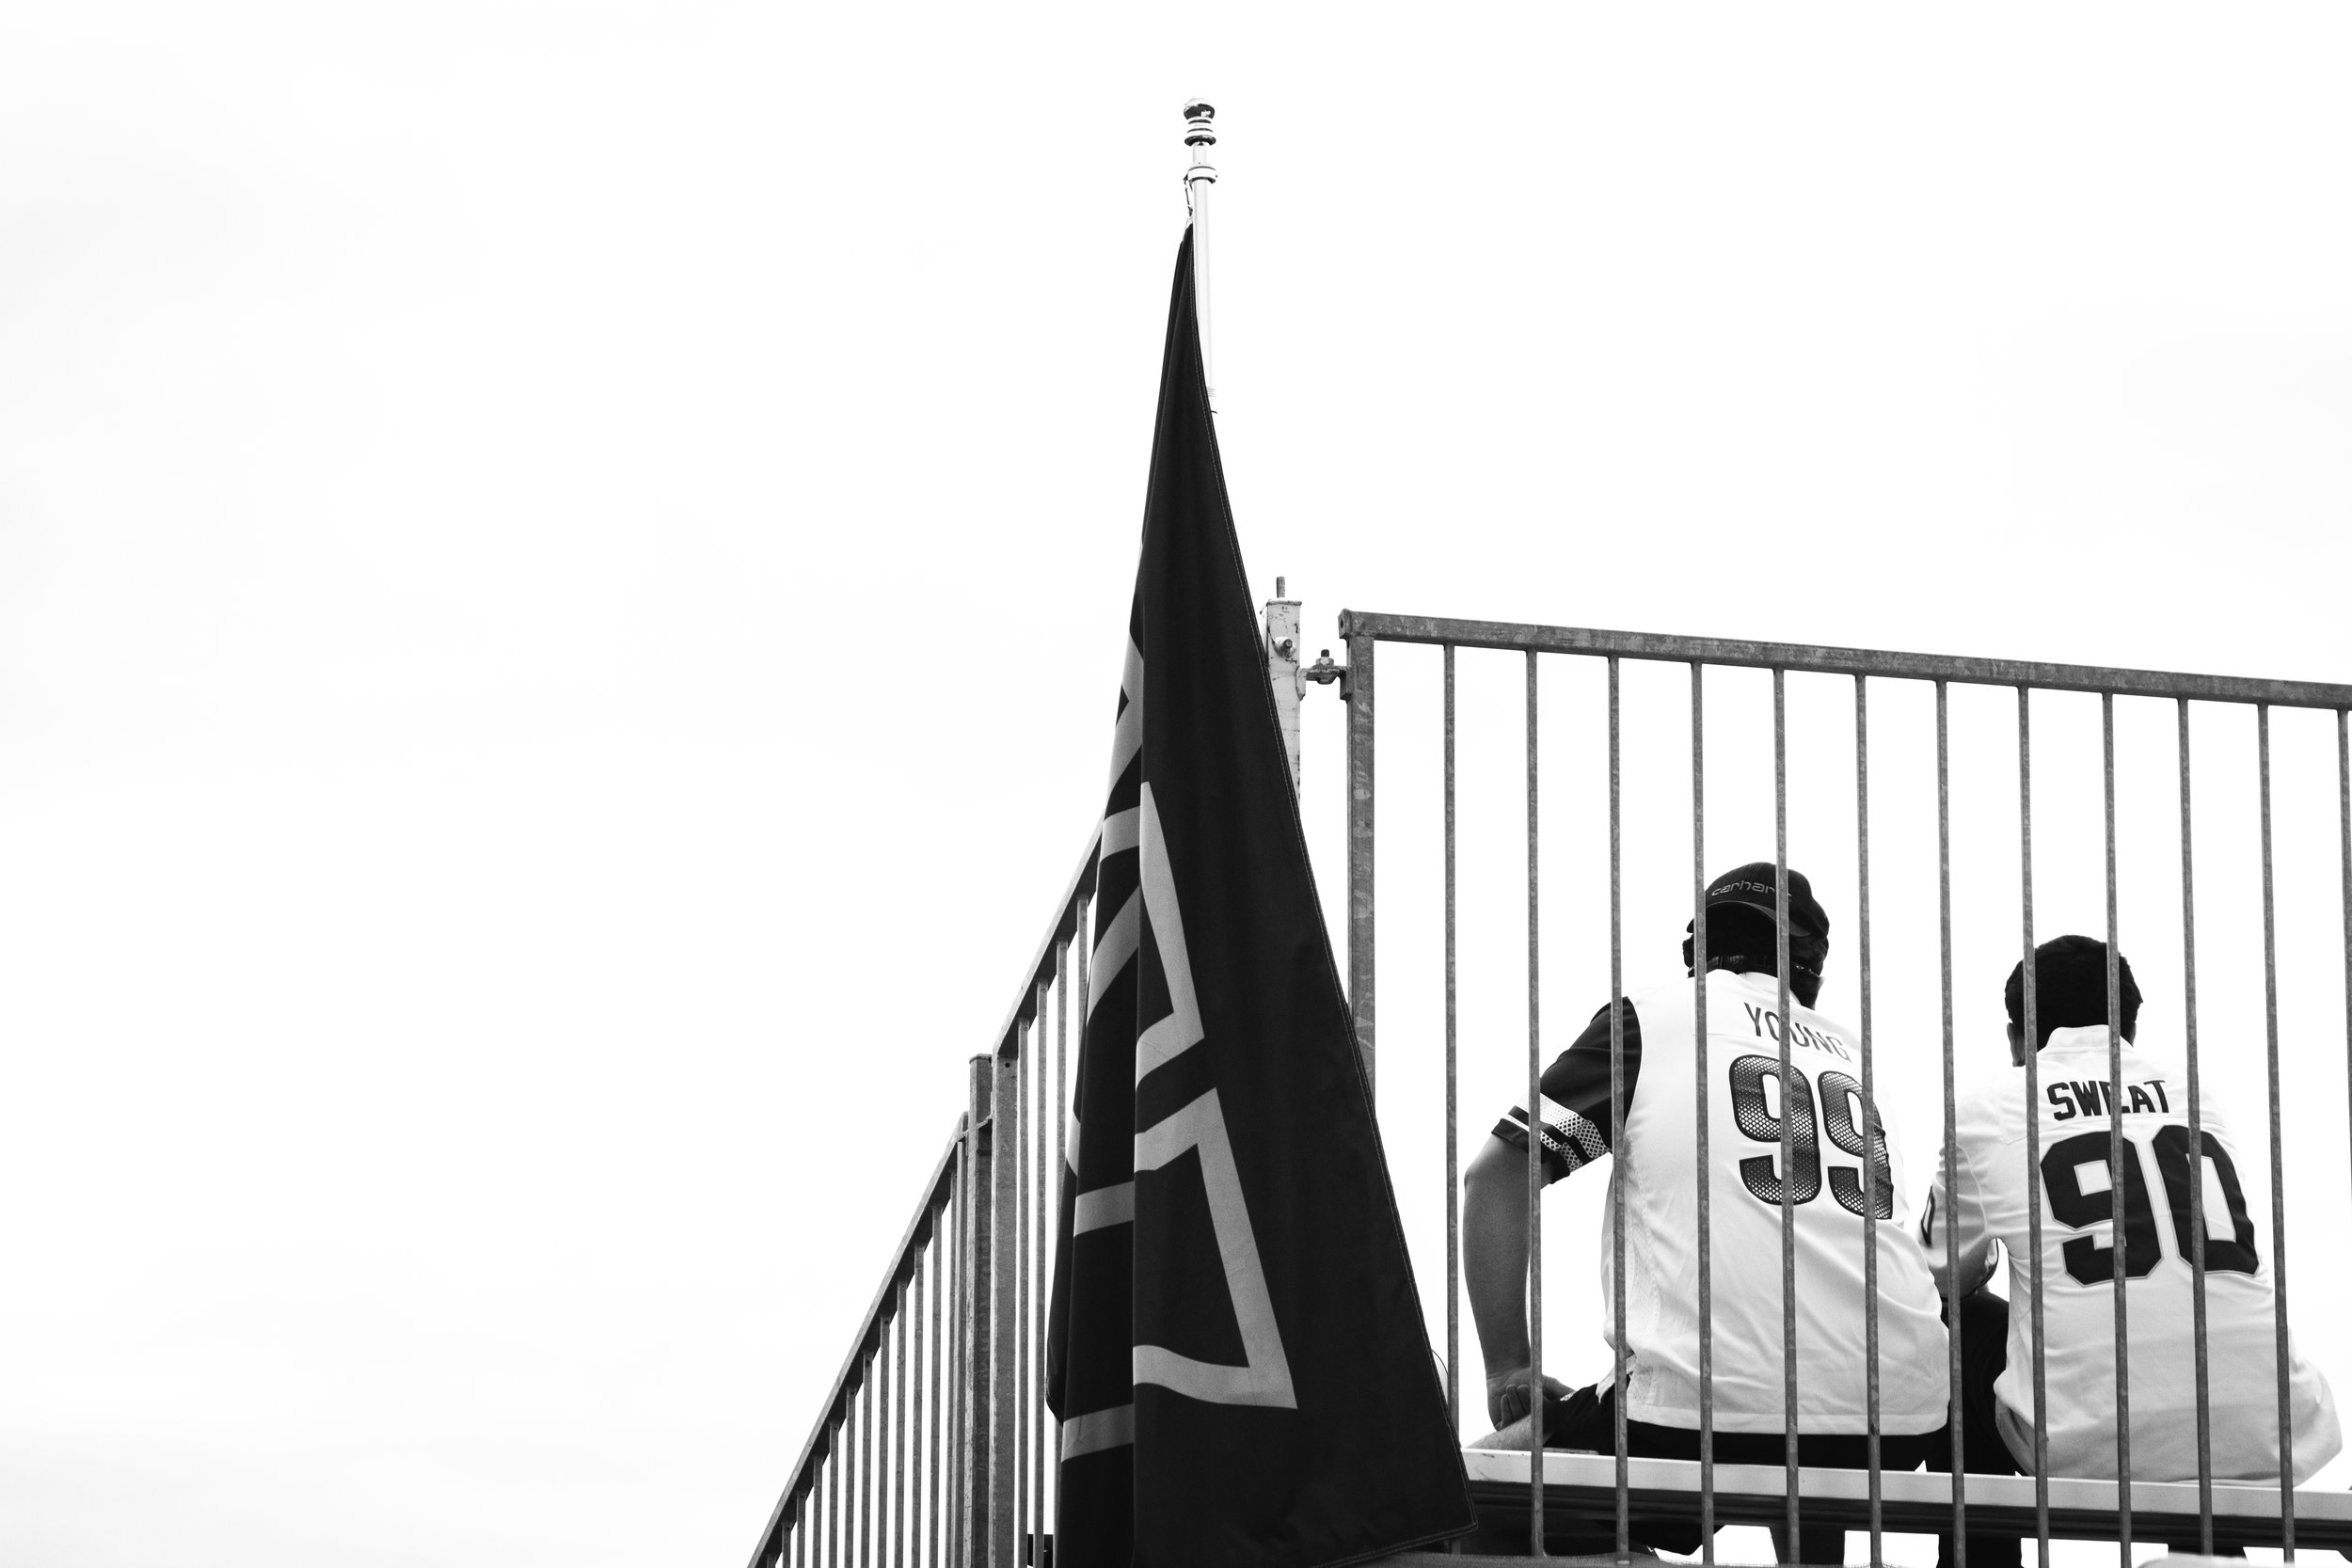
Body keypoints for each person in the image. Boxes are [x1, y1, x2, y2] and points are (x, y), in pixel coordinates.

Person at [1463, 862, 1950, 1563]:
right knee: (1793, 1416)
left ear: (1698, 949)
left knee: (1460, 1505)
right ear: (1811, 967)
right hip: (1899, 1417)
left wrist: (1508, 1368)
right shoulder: (1857, 1058)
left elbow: (1497, 1173)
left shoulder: (1656, 1019)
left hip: (1693, 1418)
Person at [1924, 935, 2341, 1567]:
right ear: (2132, 1027)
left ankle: (1984, 1561)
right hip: (2271, 1425)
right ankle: (2214, 1552)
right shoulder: (2197, 1092)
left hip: (2089, 1439)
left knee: (1957, 1324)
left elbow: (1940, 1276)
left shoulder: (1990, 1105)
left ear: (2017, 1039)